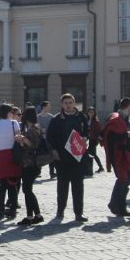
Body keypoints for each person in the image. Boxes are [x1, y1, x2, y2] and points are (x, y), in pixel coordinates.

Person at [46, 94, 89, 222]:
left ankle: (78, 213)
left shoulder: (81, 117)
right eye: (66, 103)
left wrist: (85, 138)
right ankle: (60, 211)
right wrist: (54, 151)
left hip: (77, 157)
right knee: (62, 186)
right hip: (62, 158)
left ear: (74, 103)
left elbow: (87, 131)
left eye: (70, 102)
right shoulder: (56, 119)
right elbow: (50, 137)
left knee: (78, 186)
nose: (68, 105)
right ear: (62, 104)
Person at [102, 98, 130, 217]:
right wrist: (125, 135)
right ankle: (114, 204)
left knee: (126, 181)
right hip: (118, 155)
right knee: (122, 180)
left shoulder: (128, 119)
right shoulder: (115, 119)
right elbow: (111, 137)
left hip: (128, 154)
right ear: (129, 106)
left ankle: (121, 207)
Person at [0, 104, 22, 219]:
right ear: (9, 112)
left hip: (1, 155)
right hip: (12, 155)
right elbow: (19, 139)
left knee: (2, 185)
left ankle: (0, 211)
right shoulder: (14, 123)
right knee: (12, 184)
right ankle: (12, 210)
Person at [15, 107, 44, 226]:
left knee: (27, 190)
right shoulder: (36, 128)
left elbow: (33, 145)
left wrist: (22, 139)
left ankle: (30, 216)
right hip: (33, 163)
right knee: (28, 190)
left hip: (30, 164)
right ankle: (37, 215)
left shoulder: (32, 130)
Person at [37, 101, 56, 179]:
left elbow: (53, 127)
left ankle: (52, 172)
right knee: (40, 154)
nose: (49, 107)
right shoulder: (38, 117)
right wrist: (41, 129)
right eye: (48, 106)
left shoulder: (52, 117)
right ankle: (38, 171)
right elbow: (37, 126)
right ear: (44, 107)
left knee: (51, 154)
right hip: (40, 139)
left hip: (49, 138)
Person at [85, 107, 105, 173]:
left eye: (92, 112)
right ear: (88, 113)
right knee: (92, 153)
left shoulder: (96, 121)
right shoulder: (87, 120)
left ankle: (100, 167)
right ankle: (100, 167)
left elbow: (99, 131)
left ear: (94, 113)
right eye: (90, 112)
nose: (91, 113)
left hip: (94, 139)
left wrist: (99, 138)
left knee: (91, 153)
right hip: (89, 139)